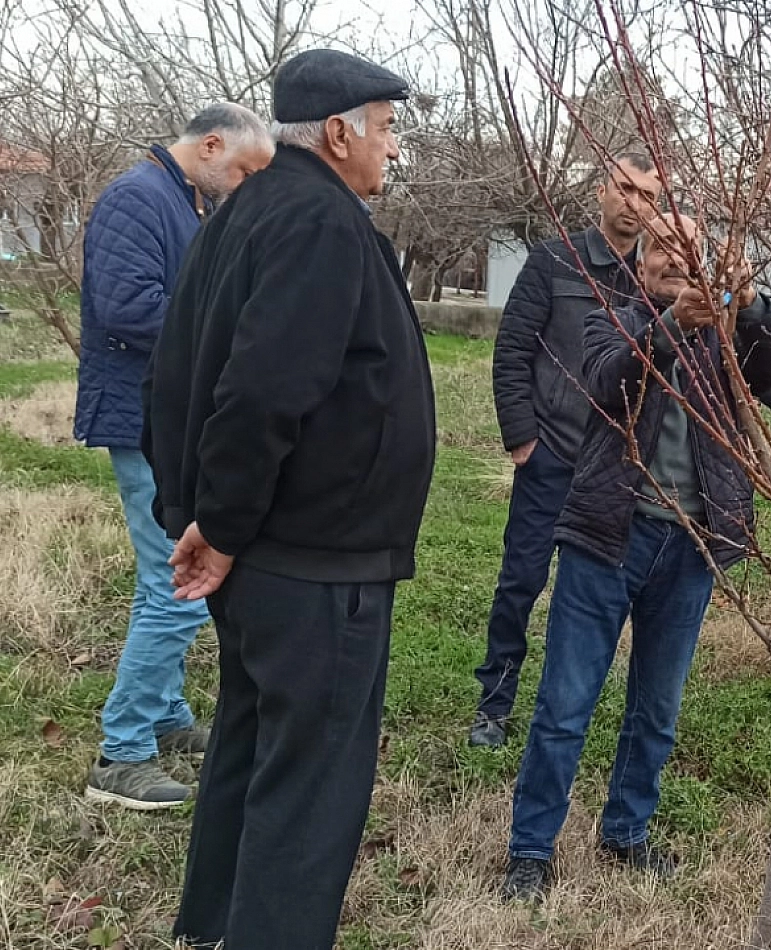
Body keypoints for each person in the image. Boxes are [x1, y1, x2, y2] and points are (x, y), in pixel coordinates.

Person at [142, 49, 436, 950]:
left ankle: (210, 932)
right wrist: (218, 527)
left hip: (273, 557)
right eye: (387, 129)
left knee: (248, 749)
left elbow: (185, 373)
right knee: (308, 793)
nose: (393, 149)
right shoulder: (318, 222)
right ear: (341, 131)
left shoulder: (250, 209)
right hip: (313, 567)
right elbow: (260, 391)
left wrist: (199, 516)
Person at [501, 213, 771, 902]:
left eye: (687, 252)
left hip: (690, 547)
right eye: (660, 250)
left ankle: (627, 832)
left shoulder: (723, 336)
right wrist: (669, 327)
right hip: (608, 535)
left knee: (656, 709)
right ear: (642, 261)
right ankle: (531, 851)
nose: (672, 262)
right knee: (565, 704)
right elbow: (606, 377)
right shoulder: (614, 317)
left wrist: (747, 309)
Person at [76, 103, 273, 811]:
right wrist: (222, 335)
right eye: (246, 169)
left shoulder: (185, 199)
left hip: (167, 415)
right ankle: (121, 751)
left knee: (160, 578)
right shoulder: (138, 197)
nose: (248, 183)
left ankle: (160, 715)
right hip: (141, 416)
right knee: (179, 587)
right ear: (211, 144)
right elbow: (128, 307)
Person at [472, 153, 664, 747]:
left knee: (592, 595)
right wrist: (523, 439)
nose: (635, 205)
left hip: (616, 467)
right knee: (522, 580)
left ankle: (565, 708)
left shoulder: (656, 277)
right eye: (625, 190)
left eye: (649, 196)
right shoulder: (556, 260)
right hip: (552, 453)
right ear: (602, 191)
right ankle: (495, 703)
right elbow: (512, 353)